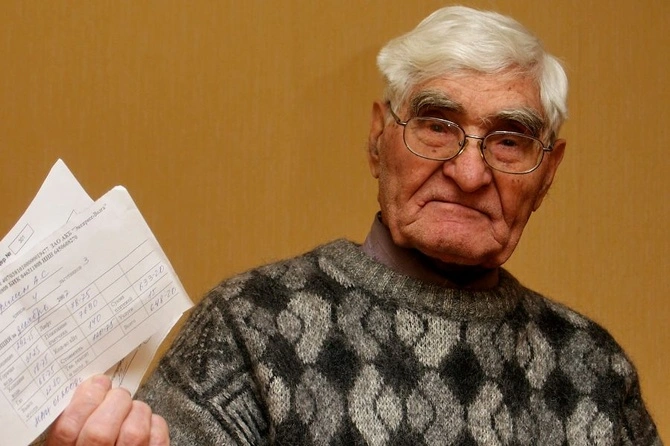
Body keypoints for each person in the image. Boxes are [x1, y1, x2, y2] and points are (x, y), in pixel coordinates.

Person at [45, 5, 661, 446]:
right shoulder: (250, 327)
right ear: (377, 140)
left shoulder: (595, 368)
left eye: (508, 139)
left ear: (547, 173)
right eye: (436, 125)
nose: (470, 173)